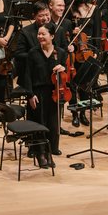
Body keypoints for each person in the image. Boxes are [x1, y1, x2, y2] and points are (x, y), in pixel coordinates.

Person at [23, 22, 67, 165]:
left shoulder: (60, 53)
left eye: (43, 34)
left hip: (54, 93)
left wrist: (62, 68)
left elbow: (66, 76)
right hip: (38, 93)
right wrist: (30, 94)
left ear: (52, 36)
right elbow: (27, 75)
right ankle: (40, 153)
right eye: (39, 34)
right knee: (40, 124)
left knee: (53, 125)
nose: (40, 36)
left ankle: (50, 152)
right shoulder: (33, 53)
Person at [14, 1, 51, 84]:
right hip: (33, 75)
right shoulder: (25, 32)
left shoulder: (57, 29)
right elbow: (19, 54)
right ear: (34, 16)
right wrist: (37, 55)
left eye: (47, 15)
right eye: (41, 16)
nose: (45, 18)